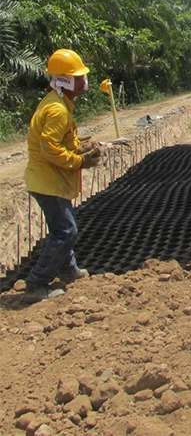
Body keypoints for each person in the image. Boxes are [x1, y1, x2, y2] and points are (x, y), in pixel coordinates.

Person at [23, 49, 101, 303]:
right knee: (66, 231)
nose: (83, 81)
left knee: (63, 227)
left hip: (51, 178)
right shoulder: (57, 110)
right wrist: (79, 160)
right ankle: (36, 283)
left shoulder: (58, 104)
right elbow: (49, 148)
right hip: (48, 181)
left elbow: (59, 141)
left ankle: (68, 270)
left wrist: (78, 146)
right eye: (78, 77)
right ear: (65, 81)